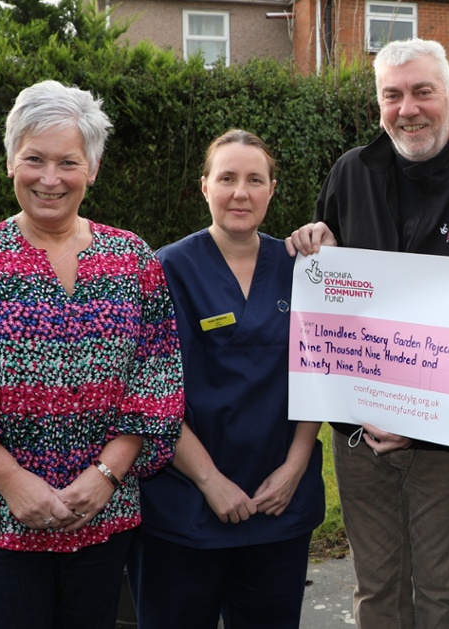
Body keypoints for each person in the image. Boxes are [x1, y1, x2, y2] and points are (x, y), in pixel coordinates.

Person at [0, 80, 183, 628]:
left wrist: (105, 476)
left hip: (101, 512)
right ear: (10, 161)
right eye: (34, 159)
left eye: (68, 162)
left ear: (92, 169)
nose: (50, 179)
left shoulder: (134, 260)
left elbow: (157, 377)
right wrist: (13, 483)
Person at [285, 38, 449, 629]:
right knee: (376, 589)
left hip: (444, 441)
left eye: (422, 92)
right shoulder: (350, 172)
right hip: (359, 432)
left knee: (441, 595)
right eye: (393, 94)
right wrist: (314, 242)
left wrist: (423, 416)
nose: (407, 108)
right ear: (379, 103)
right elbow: (328, 297)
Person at [130, 129, 325, 629]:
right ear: (205, 187)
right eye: (227, 178)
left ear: (272, 190)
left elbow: (321, 372)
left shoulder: (305, 269)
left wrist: (295, 467)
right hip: (186, 503)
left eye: (255, 179)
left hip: (278, 500)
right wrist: (209, 481)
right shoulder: (165, 269)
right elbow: (148, 389)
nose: (241, 192)